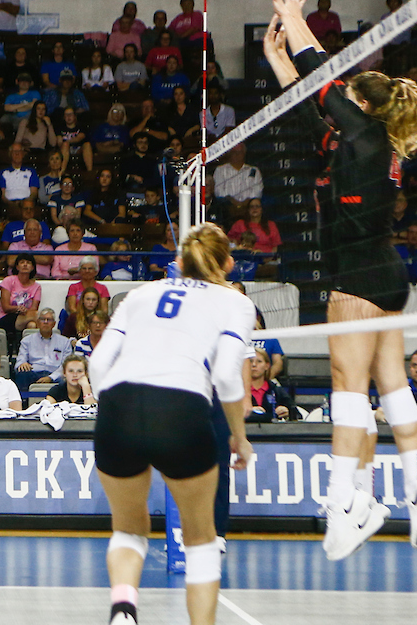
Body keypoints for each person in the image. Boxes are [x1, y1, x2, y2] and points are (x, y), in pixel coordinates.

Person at [263, 0, 417, 557]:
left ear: (359, 106)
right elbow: (307, 105)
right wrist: (276, 59)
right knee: (390, 387)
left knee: (346, 389)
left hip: (358, 277)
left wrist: (294, 20)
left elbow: (320, 79)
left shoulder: (361, 129)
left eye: (347, 103)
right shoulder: (372, 143)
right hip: (388, 275)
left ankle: (346, 505)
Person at [87, 222, 253, 625]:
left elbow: (97, 362)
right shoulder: (235, 303)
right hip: (181, 407)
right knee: (200, 539)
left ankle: (123, 610)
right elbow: (229, 376)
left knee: (128, 529)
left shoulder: (142, 293)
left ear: (179, 261)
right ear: (228, 263)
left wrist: (114, 412)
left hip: (119, 402)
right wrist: (239, 436)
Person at [13, 308, 72, 392]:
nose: (45, 322)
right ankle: (23, 403)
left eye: (49, 320)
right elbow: (19, 361)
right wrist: (22, 363)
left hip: (56, 374)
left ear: (54, 324)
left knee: (66, 379)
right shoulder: (27, 341)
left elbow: (66, 365)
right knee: (22, 374)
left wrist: (51, 377)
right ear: (38, 322)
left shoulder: (64, 342)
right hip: (34, 372)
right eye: (42, 319)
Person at [245, 348, 294, 422]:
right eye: (250, 361)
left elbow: (297, 415)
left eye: (259, 361)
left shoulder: (276, 390)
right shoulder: (237, 391)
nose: (254, 365)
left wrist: (287, 412)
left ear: (267, 366)